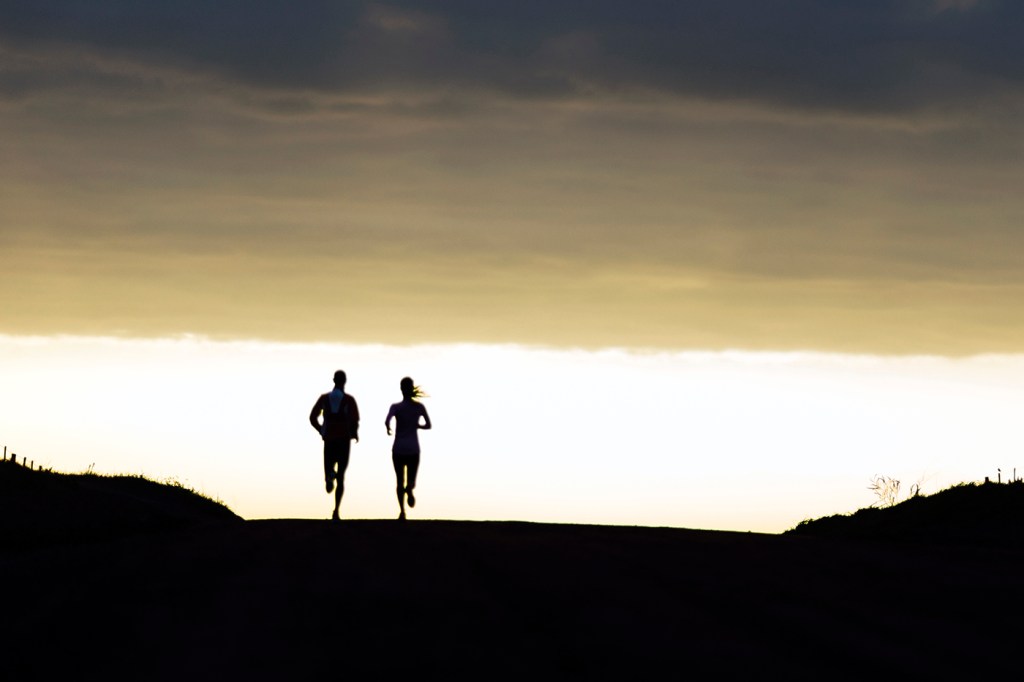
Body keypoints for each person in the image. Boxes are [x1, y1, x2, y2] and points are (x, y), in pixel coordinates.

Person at [309, 370, 360, 521]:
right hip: (344, 439)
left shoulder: (324, 398)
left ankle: (329, 477)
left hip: (329, 438)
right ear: (344, 381)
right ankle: (336, 510)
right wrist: (355, 433)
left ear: (333, 380)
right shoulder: (349, 400)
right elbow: (354, 420)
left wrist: (320, 429)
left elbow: (312, 417)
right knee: (342, 477)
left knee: (328, 467)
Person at [385, 377, 431, 521]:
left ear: (401, 389)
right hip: (413, 449)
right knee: (410, 480)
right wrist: (417, 426)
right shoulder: (419, 407)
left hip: (398, 448)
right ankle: (410, 490)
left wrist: (388, 428)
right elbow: (428, 425)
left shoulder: (396, 407)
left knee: (399, 481)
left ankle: (402, 511)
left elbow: (387, 420)